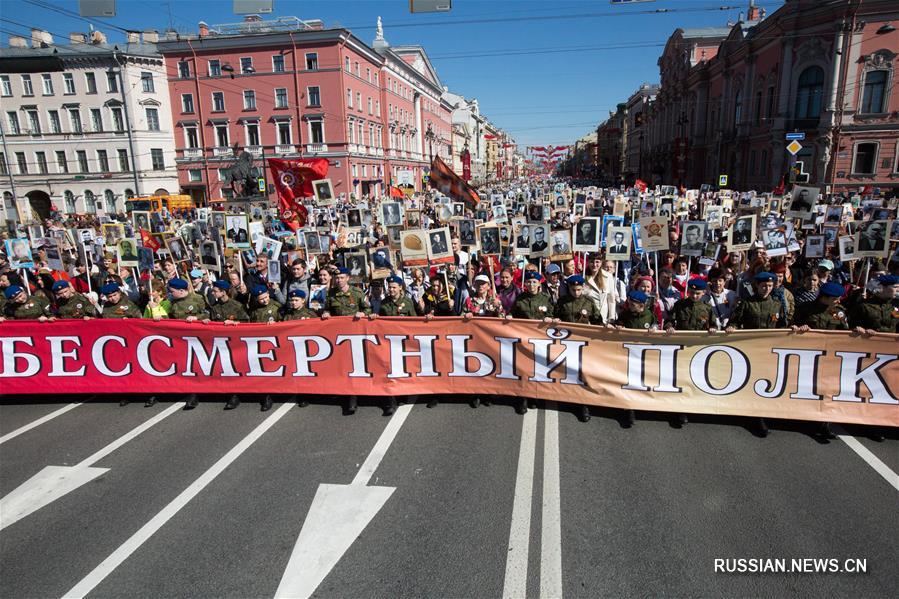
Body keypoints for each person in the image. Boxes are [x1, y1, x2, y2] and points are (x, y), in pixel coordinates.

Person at [322, 267, 373, 414]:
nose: (339, 280)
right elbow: (327, 309)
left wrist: (362, 313)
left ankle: (354, 396)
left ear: (348, 278)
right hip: (338, 337)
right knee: (343, 366)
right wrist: (326, 313)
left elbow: (369, 310)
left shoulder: (357, 293)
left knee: (356, 365)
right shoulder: (331, 294)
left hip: (356, 335)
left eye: (342, 278)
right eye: (337, 278)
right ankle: (348, 393)